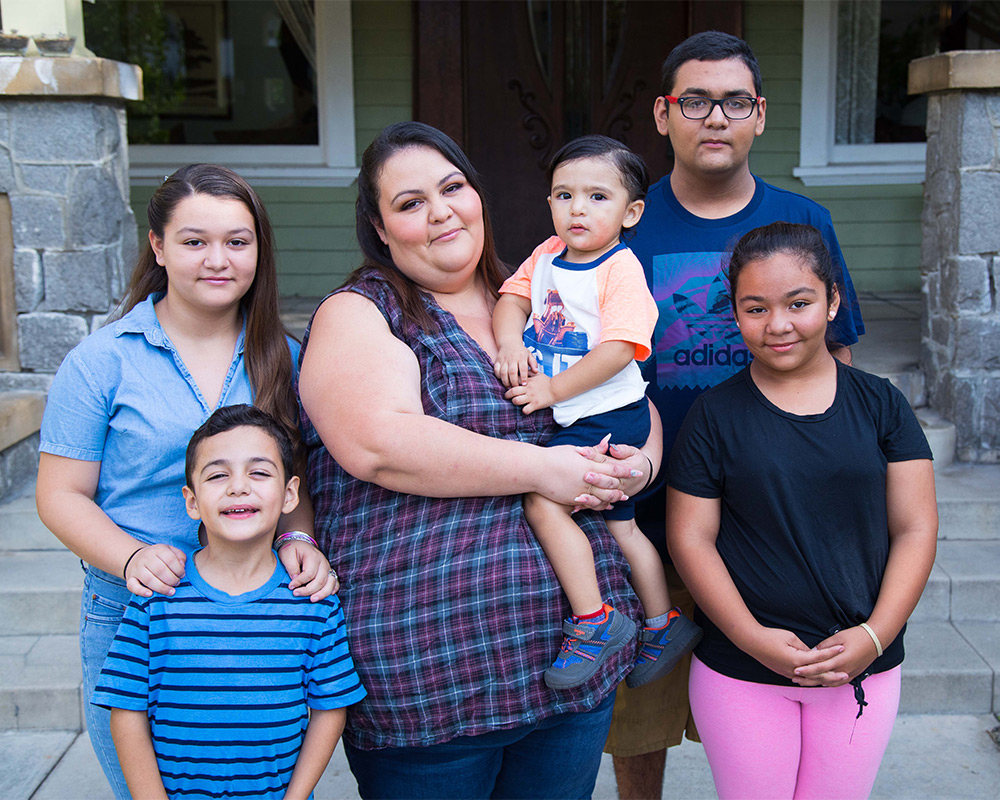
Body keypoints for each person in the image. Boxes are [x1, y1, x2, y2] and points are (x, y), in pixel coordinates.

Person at [297, 121, 660, 799]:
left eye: (452, 187)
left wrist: (639, 466)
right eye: (409, 203)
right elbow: (379, 443)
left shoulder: (536, 298)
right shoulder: (362, 313)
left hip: (573, 679)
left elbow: (629, 391)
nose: (440, 212)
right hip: (433, 688)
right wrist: (546, 470)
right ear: (380, 229)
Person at [605, 31, 867, 797]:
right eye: (694, 100)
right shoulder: (622, 224)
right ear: (663, 115)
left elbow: (840, 369)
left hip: (774, 529)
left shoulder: (802, 220)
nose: (713, 117)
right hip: (649, 524)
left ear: (759, 116)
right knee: (639, 729)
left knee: (783, 738)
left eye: (733, 102)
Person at [35, 165, 336, 800]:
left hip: (261, 614)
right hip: (138, 608)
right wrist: (133, 557)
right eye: (195, 241)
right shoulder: (103, 360)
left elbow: (296, 477)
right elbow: (59, 495)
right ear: (158, 247)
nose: (218, 260)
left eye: (238, 240)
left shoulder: (287, 356)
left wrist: (301, 540)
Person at [666, 221, 937, 799]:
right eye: (756, 308)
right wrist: (751, 636)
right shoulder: (713, 417)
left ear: (833, 300)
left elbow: (915, 527)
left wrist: (875, 634)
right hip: (742, 670)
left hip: (861, 666)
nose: (779, 325)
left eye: (799, 303)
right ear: (734, 314)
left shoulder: (881, 404)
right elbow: (691, 538)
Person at [492, 134, 701, 690]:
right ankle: (662, 622)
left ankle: (594, 621)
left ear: (631, 211)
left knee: (543, 502)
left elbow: (617, 351)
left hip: (608, 414)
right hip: (580, 413)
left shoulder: (620, 270)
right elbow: (511, 299)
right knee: (621, 524)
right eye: (564, 195)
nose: (577, 209)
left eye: (596, 197)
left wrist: (554, 390)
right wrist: (511, 343)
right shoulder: (545, 257)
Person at [91, 404, 366, 800]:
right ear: (192, 501)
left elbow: (330, 709)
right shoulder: (157, 597)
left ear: (290, 494)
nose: (238, 486)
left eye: (258, 472)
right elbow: (126, 712)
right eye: (218, 475)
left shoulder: (312, 601)